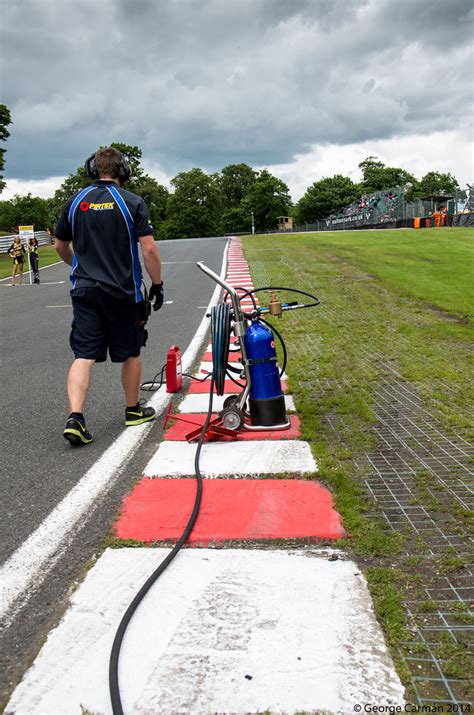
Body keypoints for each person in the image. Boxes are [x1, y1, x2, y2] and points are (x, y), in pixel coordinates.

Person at [54, 146, 164, 446]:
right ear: (123, 171)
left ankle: (75, 417)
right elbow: (150, 249)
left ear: (93, 170)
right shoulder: (131, 201)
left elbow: (60, 246)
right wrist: (157, 284)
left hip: (85, 290)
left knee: (84, 355)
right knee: (130, 352)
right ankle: (132, 410)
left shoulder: (76, 202)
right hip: (123, 291)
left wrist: (78, 265)